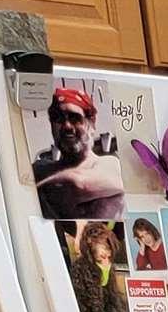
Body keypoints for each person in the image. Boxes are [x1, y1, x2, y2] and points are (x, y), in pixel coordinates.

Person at [31, 87, 123, 219]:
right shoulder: (40, 169)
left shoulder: (110, 164)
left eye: (75, 118)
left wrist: (36, 186)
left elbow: (80, 185)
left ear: (91, 124)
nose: (67, 126)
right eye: (58, 119)